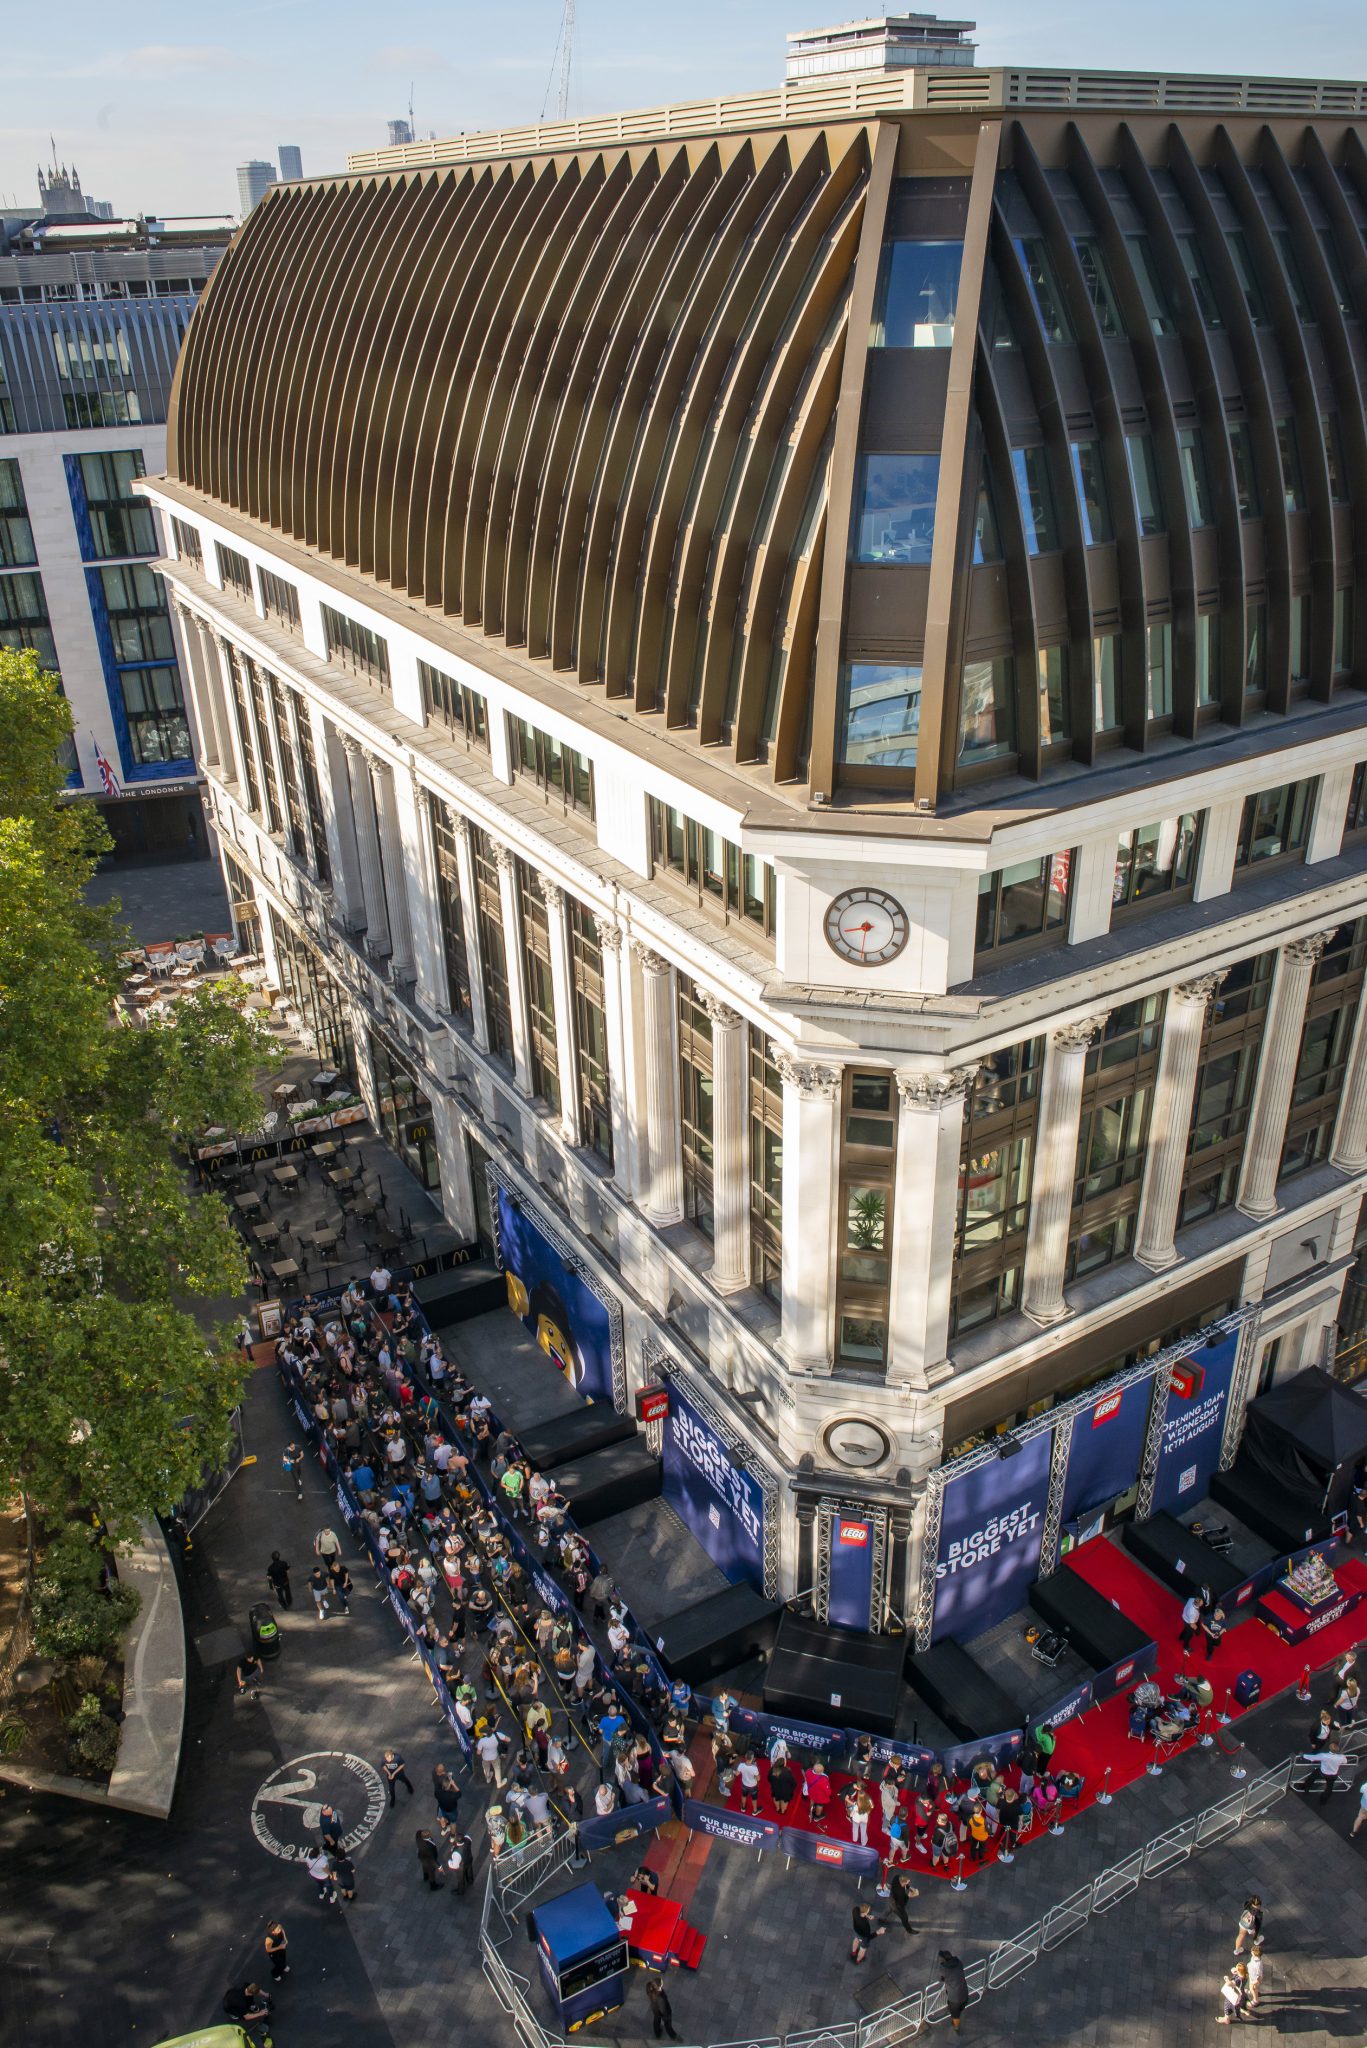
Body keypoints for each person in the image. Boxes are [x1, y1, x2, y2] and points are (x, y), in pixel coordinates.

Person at [938, 1950, 970, 2030]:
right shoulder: (958, 1962)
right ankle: (957, 2013)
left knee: (955, 2015)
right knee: (960, 2007)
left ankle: (956, 2027)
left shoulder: (944, 1969)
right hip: (964, 1992)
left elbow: (940, 1978)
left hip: (955, 1998)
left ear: (944, 1960)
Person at [646, 1972, 680, 2041]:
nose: (662, 1982)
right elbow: (663, 2009)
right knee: (668, 2024)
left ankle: (657, 2034)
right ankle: (673, 2036)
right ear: (659, 1986)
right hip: (664, 2012)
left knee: (656, 2020)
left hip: (655, 2009)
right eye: (662, 1982)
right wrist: (668, 2015)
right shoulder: (661, 1998)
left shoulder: (649, 1987)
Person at [885, 1869, 919, 1935]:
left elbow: (905, 1885)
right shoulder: (899, 1892)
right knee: (904, 1918)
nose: (908, 1884)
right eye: (907, 1883)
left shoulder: (897, 1877)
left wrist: (909, 1887)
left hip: (891, 1900)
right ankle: (909, 1930)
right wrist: (909, 1896)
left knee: (889, 1909)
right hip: (897, 1905)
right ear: (903, 1883)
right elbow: (902, 1904)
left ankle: (882, 1919)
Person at [736, 1751, 761, 1817]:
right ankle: (755, 1811)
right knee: (754, 1799)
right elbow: (758, 1779)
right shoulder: (754, 1768)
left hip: (744, 1785)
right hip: (753, 1786)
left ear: (745, 1757)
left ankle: (743, 1808)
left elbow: (737, 1774)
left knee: (744, 1795)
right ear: (752, 1758)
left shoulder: (741, 1765)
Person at [1246, 1939, 1264, 2009]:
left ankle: (1256, 2000)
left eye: (1252, 1952)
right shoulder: (1254, 1958)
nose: (1251, 1952)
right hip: (1252, 1976)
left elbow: (1259, 1976)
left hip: (1255, 1979)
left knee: (1252, 1988)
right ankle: (1256, 1993)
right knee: (1253, 1988)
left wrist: (1254, 1982)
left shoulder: (1258, 1964)